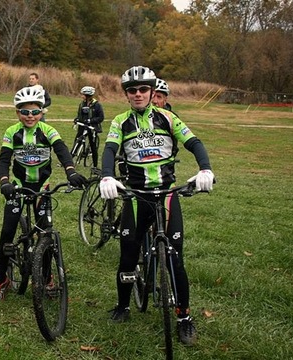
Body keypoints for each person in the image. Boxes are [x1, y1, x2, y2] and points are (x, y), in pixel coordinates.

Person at [98, 66, 214, 346]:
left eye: (143, 89)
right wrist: (107, 175)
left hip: (166, 195)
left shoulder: (168, 118)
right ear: (126, 94)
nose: (138, 94)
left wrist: (205, 169)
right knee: (127, 256)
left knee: (176, 259)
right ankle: (123, 306)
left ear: (152, 92)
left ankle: (184, 317)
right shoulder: (120, 122)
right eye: (132, 90)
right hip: (136, 196)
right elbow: (110, 150)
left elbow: (194, 142)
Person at [0, 86, 87, 302]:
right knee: (7, 233)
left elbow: (61, 151)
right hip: (18, 186)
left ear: (42, 112)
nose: (30, 116)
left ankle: (48, 277)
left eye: (35, 112)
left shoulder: (48, 131)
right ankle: (1, 279)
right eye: (25, 112)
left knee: (46, 234)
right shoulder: (12, 132)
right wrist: (4, 182)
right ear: (17, 113)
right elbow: (4, 159)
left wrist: (70, 171)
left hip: (43, 188)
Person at [72, 86, 105, 168]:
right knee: (77, 141)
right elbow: (80, 115)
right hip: (83, 126)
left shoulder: (97, 105)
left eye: (83, 94)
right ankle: (70, 159)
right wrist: (77, 119)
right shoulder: (82, 104)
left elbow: (101, 118)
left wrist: (90, 121)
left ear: (87, 96)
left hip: (92, 127)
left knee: (93, 147)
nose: (81, 96)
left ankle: (95, 165)